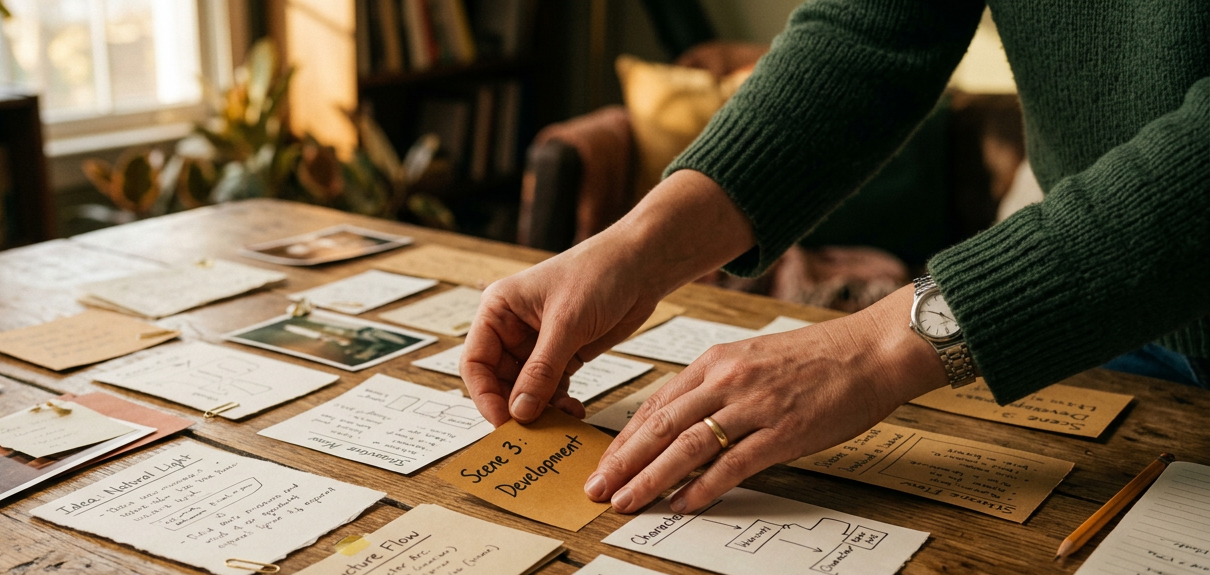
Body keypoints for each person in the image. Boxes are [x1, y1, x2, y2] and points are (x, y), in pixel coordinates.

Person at [461, 0, 1208, 518]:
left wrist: (872, 346)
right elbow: (870, 33)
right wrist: (639, 245)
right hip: (1105, 325)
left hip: (1094, 291)